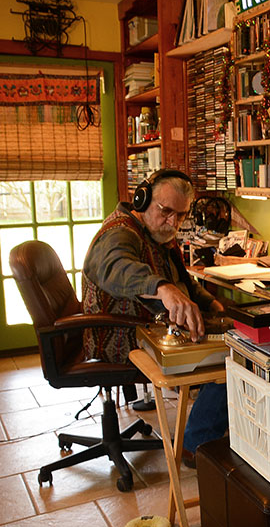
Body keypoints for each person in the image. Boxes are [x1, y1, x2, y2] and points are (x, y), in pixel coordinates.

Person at [81, 169, 227, 467]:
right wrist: (162, 289)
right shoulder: (120, 232)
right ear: (142, 198)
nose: (173, 222)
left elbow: (182, 279)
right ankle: (195, 444)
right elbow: (117, 266)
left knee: (242, 345)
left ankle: (211, 437)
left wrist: (210, 302)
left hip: (143, 330)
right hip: (117, 338)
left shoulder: (158, 234)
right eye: (166, 211)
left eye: (182, 215)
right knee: (233, 359)